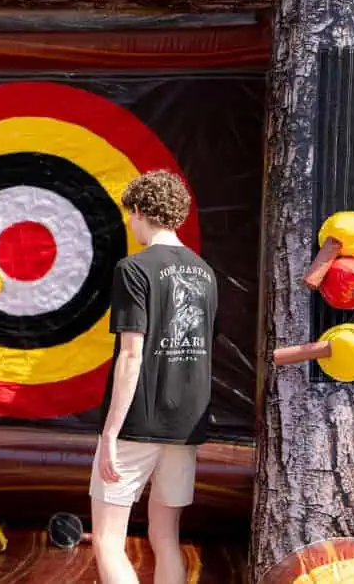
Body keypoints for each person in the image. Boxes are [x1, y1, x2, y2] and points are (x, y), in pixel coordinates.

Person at [90, 170, 218, 584]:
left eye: (130, 215)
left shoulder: (134, 269)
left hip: (137, 424)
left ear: (141, 212)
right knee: (166, 536)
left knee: (109, 539)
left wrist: (109, 433)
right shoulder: (206, 273)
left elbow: (132, 355)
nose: (131, 224)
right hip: (186, 425)